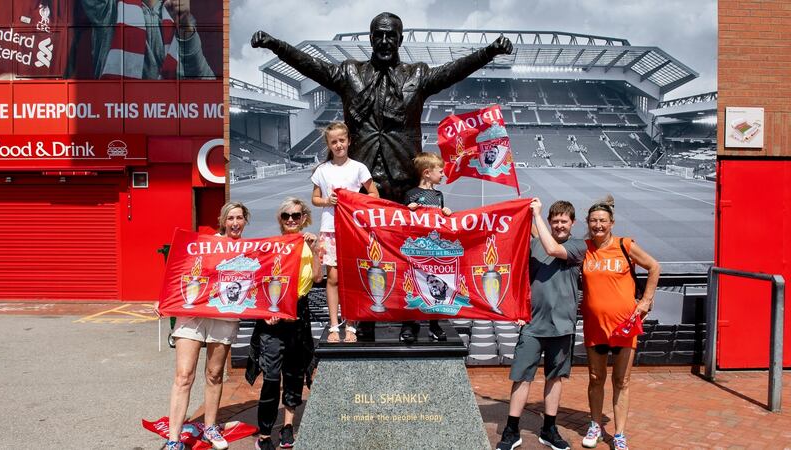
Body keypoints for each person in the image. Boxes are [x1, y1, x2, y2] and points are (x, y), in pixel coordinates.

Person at [252, 12, 512, 203]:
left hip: (405, 183)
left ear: (400, 39)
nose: (385, 41)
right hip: (360, 184)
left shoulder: (417, 75)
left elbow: (452, 71)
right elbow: (312, 65)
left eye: (391, 36)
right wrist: (278, 46)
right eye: (380, 35)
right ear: (371, 38)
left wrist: (487, 53)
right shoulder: (349, 72)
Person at [496, 198, 586, 450]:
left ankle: (549, 429)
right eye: (555, 221)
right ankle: (511, 429)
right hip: (533, 324)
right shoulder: (533, 245)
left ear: (572, 223)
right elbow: (515, 275)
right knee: (522, 378)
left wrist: (536, 217)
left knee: (555, 378)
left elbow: (553, 250)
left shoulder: (579, 246)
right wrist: (515, 309)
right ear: (549, 221)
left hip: (563, 325)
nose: (559, 225)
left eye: (564, 221)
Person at [162, 202, 250, 450]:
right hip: (193, 315)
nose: (235, 222)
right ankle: (174, 439)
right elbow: (179, 272)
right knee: (183, 376)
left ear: (245, 221)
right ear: (223, 221)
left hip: (224, 315)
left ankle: (210, 426)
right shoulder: (205, 244)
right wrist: (165, 302)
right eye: (230, 217)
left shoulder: (250, 250)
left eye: (239, 218)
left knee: (214, 374)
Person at [580, 195, 660, 450]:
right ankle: (595, 425)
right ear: (588, 222)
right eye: (593, 221)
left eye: (602, 220)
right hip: (595, 326)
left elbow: (654, 266)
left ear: (611, 222)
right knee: (595, 377)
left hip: (625, 326)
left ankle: (620, 434)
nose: (598, 225)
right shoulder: (583, 248)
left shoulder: (625, 245)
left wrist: (646, 300)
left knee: (622, 381)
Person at [247, 198, 322, 450]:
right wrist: (263, 311)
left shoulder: (307, 244)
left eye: (296, 216)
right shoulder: (270, 246)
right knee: (270, 376)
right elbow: (256, 281)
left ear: (304, 218)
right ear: (280, 219)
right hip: (272, 312)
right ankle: (265, 433)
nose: (291, 220)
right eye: (286, 216)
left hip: (299, 311)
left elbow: (318, 277)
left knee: (294, 372)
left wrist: (313, 249)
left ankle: (288, 426)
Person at [311, 122, 379, 343]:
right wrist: (326, 201)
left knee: (352, 278)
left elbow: (373, 193)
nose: (338, 145)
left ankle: (351, 324)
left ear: (349, 141)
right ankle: (333, 325)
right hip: (330, 228)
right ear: (329, 145)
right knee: (333, 277)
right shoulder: (322, 170)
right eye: (334, 142)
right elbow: (315, 199)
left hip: (353, 229)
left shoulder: (358, 168)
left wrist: (357, 203)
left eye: (342, 140)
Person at [79, 0, 214, 79]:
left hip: (169, 120)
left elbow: (207, 84)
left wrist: (185, 26)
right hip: (119, 118)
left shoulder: (180, 12)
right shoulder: (108, 8)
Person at [401, 152, 453, 343]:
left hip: (434, 250)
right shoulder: (410, 195)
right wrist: (408, 210)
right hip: (415, 250)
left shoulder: (438, 195)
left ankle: (434, 324)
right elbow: (401, 221)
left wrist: (446, 213)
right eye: (440, 171)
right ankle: (409, 324)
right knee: (412, 286)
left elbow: (440, 222)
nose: (443, 175)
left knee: (437, 285)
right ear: (426, 173)